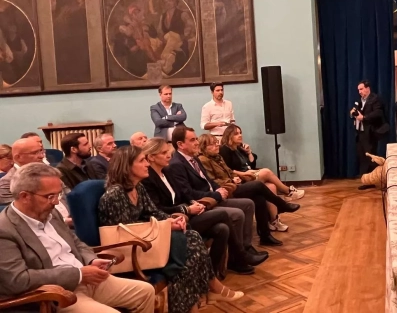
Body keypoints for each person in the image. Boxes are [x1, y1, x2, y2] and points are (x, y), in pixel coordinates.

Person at [98, 146, 243, 313]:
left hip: (148, 240)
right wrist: (167, 225)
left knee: (190, 242)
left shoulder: (138, 188)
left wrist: (172, 220)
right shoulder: (114, 195)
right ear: (127, 166)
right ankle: (211, 290)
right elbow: (126, 231)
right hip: (132, 250)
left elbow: (153, 212)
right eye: (142, 160)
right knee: (187, 253)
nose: (147, 164)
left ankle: (197, 302)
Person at [0, 163, 156, 312]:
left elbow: (74, 241)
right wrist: (79, 274)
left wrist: (91, 259)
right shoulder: (5, 230)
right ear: (25, 196)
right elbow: (18, 280)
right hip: (57, 294)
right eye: (50, 196)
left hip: (86, 278)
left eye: (58, 195)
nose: (55, 202)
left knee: (146, 292)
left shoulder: (50, 212)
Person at [140, 138, 268, 275]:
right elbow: (157, 209)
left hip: (187, 213)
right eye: (163, 153)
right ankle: (241, 256)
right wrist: (187, 209)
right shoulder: (148, 179)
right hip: (174, 221)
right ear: (151, 157)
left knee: (222, 228)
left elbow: (183, 194)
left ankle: (210, 273)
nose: (168, 155)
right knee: (223, 214)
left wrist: (193, 203)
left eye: (168, 152)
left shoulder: (166, 172)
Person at [165, 126, 278, 248]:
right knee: (252, 193)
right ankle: (241, 252)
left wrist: (219, 188)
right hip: (203, 203)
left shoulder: (195, 159)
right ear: (180, 144)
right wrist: (217, 193)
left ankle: (248, 246)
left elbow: (209, 180)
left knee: (253, 200)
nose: (196, 142)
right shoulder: (177, 164)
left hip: (216, 194)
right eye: (192, 140)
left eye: (196, 139)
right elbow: (188, 193)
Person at [199, 133, 300, 233]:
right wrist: (231, 180)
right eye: (212, 144)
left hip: (234, 184)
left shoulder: (218, 157)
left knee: (259, 197)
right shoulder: (203, 160)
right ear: (203, 147)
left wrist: (236, 177)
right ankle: (282, 203)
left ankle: (265, 235)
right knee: (258, 184)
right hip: (226, 189)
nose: (217, 145)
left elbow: (231, 171)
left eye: (216, 143)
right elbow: (211, 180)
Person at [219, 125, 304, 201]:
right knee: (266, 171)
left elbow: (252, 165)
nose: (240, 135)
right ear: (229, 135)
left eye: (240, 133)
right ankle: (288, 191)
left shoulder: (239, 149)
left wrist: (249, 153)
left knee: (271, 186)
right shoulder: (225, 149)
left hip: (250, 174)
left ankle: (274, 218)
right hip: (241, 178)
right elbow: (227, 170)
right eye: (236, 134)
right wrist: (244, 173)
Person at [351, 80, 387, 189]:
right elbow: (356, 110)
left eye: (361, 89)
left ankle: (373, 180)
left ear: (368, 88)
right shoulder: (360, 100)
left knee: (370, 156)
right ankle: (366, 180)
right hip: (360, 132)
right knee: (362, 156)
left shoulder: (375, 99)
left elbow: (378, 113)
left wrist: (364, 118)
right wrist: (353, 112)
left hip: (370, 133)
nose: (360, 92)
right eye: (358, 90)